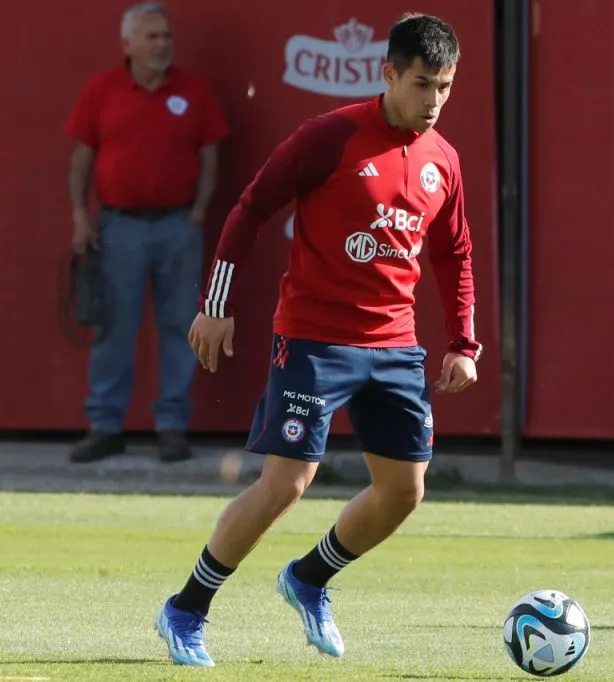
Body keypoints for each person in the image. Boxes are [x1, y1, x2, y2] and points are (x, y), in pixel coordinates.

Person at [154, 13, 482, 667]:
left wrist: (463, 342)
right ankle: (185, 609)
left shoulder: (442, 159)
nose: (435, 100)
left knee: (404, 492)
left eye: (446, 86)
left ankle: (309, 578)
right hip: (313, 340)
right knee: (287, 483)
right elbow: (251, 208)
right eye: (423, 84)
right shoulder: (329, 137)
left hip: (394, 347)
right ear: (388, 73)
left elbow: (455, 252)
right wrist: (215, 307)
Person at [63, 1, 230, 464]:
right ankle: (105, 425)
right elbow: (81, 157)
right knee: (114, 325)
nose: (162, 45)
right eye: (151, 37)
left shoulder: (193, 92)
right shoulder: (103, 90)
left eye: (166, 37)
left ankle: (172, 426)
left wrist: (198, 210)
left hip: (178, 224)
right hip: (119, 226)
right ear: (127, 43)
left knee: (181, 326)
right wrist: (80, 215)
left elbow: (210, 155)